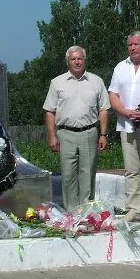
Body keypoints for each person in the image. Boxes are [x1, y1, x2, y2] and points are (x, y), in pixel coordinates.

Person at [43, 46, 110, 211]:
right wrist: (52, 136)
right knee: (68, 176)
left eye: (80, 58)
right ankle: (72, 214)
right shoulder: (57, 82)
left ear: (85, 60)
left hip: (89, 132)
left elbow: (104, 109)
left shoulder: (96, 81)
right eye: (73, 59)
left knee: (87, 175)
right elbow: (49, 111)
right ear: (68, 62)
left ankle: (86, 213)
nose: (77, 62)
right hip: (65, 134)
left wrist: (103, 134)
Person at [108, 31, 140, 223]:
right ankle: (134, 209)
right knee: (131, 170)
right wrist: (125, 112)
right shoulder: (121, 67)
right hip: (126, 124)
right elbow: (112, 94)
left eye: (136, 45)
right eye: (130, 45)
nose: (132, 48)